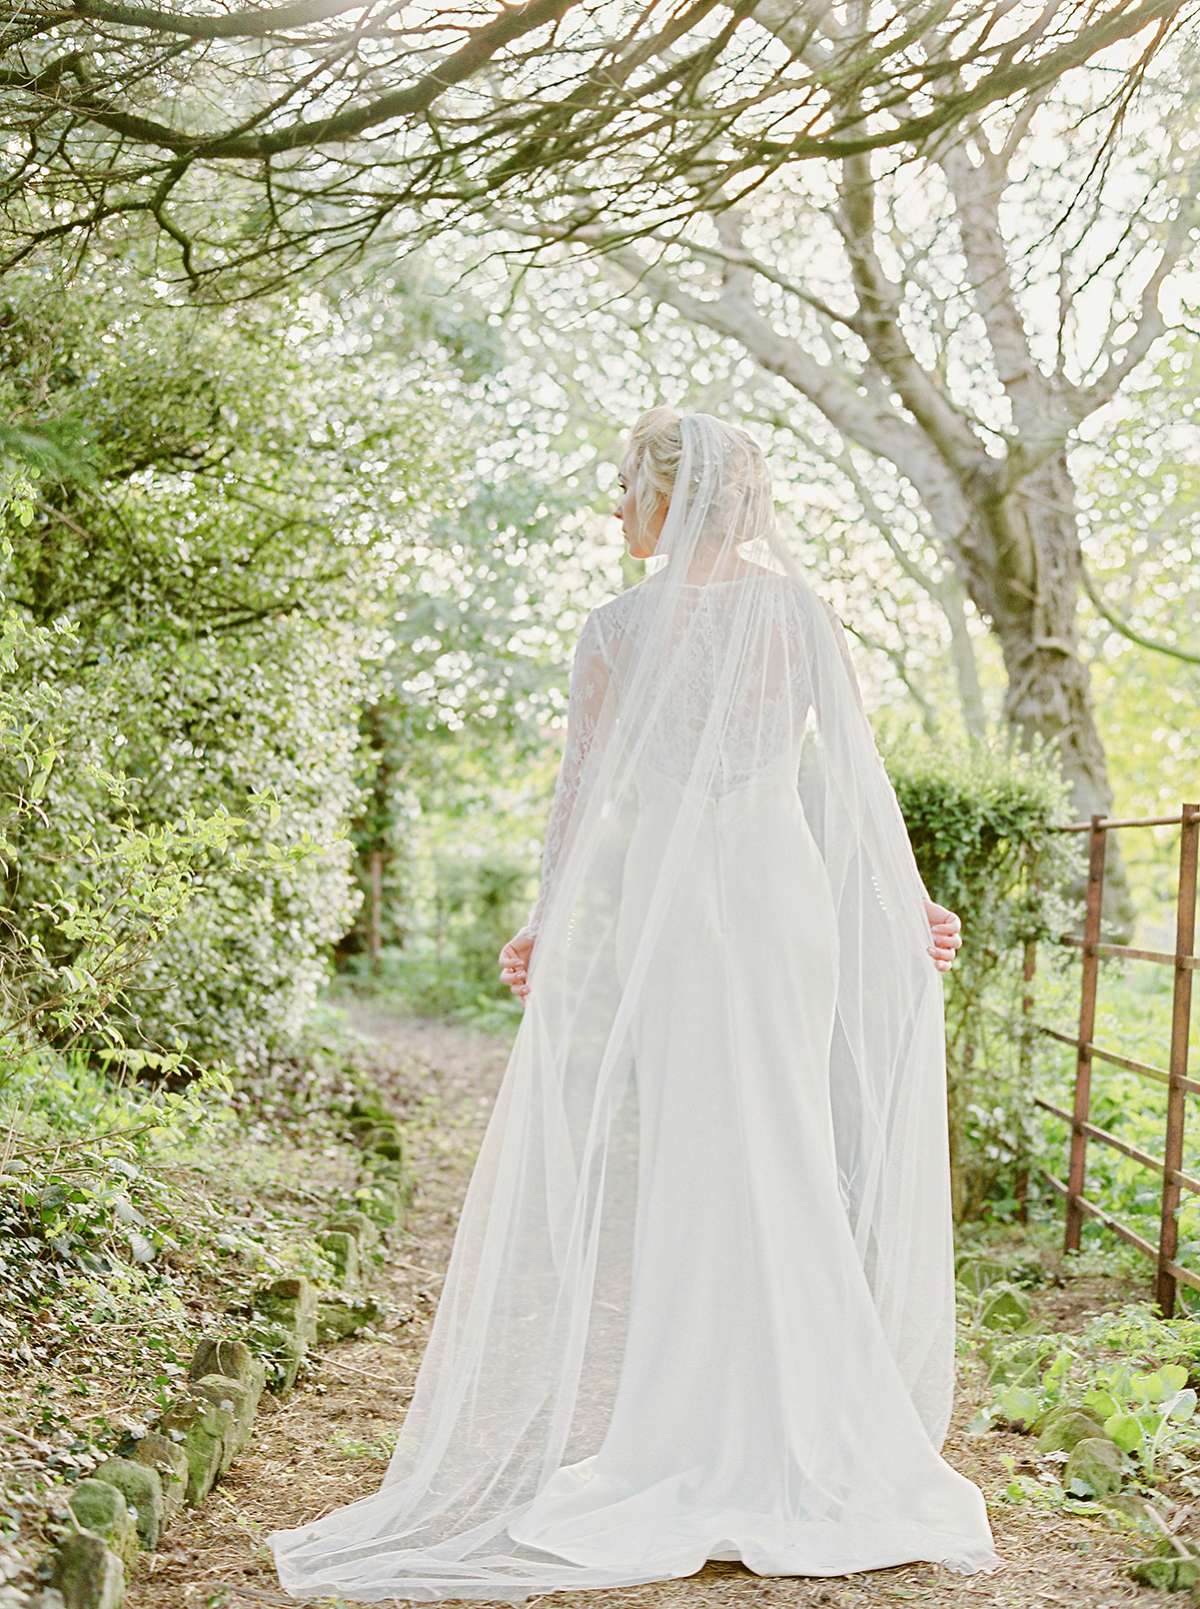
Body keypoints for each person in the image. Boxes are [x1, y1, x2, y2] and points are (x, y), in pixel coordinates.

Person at [270, 410, 998, 1603]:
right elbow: (856, 777)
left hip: (684, 921)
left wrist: (546, 915)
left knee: (703, 1158)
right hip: (779, 906)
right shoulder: (796, 615)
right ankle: (790, 1421)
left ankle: (693, 1433)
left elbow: (587, 796)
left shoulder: (616, 628)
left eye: (625, 488)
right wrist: (909, 901)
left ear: (676, 498)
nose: (616, 510)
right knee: (783, 1154)